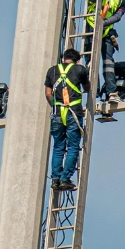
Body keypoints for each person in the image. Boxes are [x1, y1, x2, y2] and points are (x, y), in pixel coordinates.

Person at [75, 0, 125, 103]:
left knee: (90, 60)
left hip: (92, 26)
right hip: (107, 31)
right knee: (108, 63)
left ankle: (93, 90)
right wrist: (105, 23)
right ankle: (112, 93)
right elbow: (118, 16)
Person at [45, 48, 90, 191]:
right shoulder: (80, 69)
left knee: (58, 147)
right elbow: (87, 87)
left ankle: (55, 179)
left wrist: (55, 105)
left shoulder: (52, 71)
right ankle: (65, 179)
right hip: (73, 112)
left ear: (63, 59)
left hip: (57, 113)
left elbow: (48, 93)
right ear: (77, 60)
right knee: (72, 147)